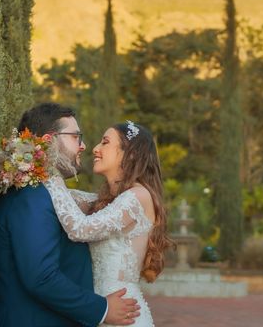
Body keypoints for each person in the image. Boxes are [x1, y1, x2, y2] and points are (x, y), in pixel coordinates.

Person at [0, 103, 140, 327]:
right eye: (76, 137)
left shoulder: (48, 193)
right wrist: (102, 309)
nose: (84, 146)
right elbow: (41, 277)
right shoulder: (31, 196)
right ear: (49, 141)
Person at [44, 121, 171, 327]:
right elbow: (65, 199)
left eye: (105, 142)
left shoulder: (138, 196)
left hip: (123, 317)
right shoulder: (109, 201)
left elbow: (80, 229)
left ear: (130, 154)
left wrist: (51, 173)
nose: (95, 148)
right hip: (100, 312)